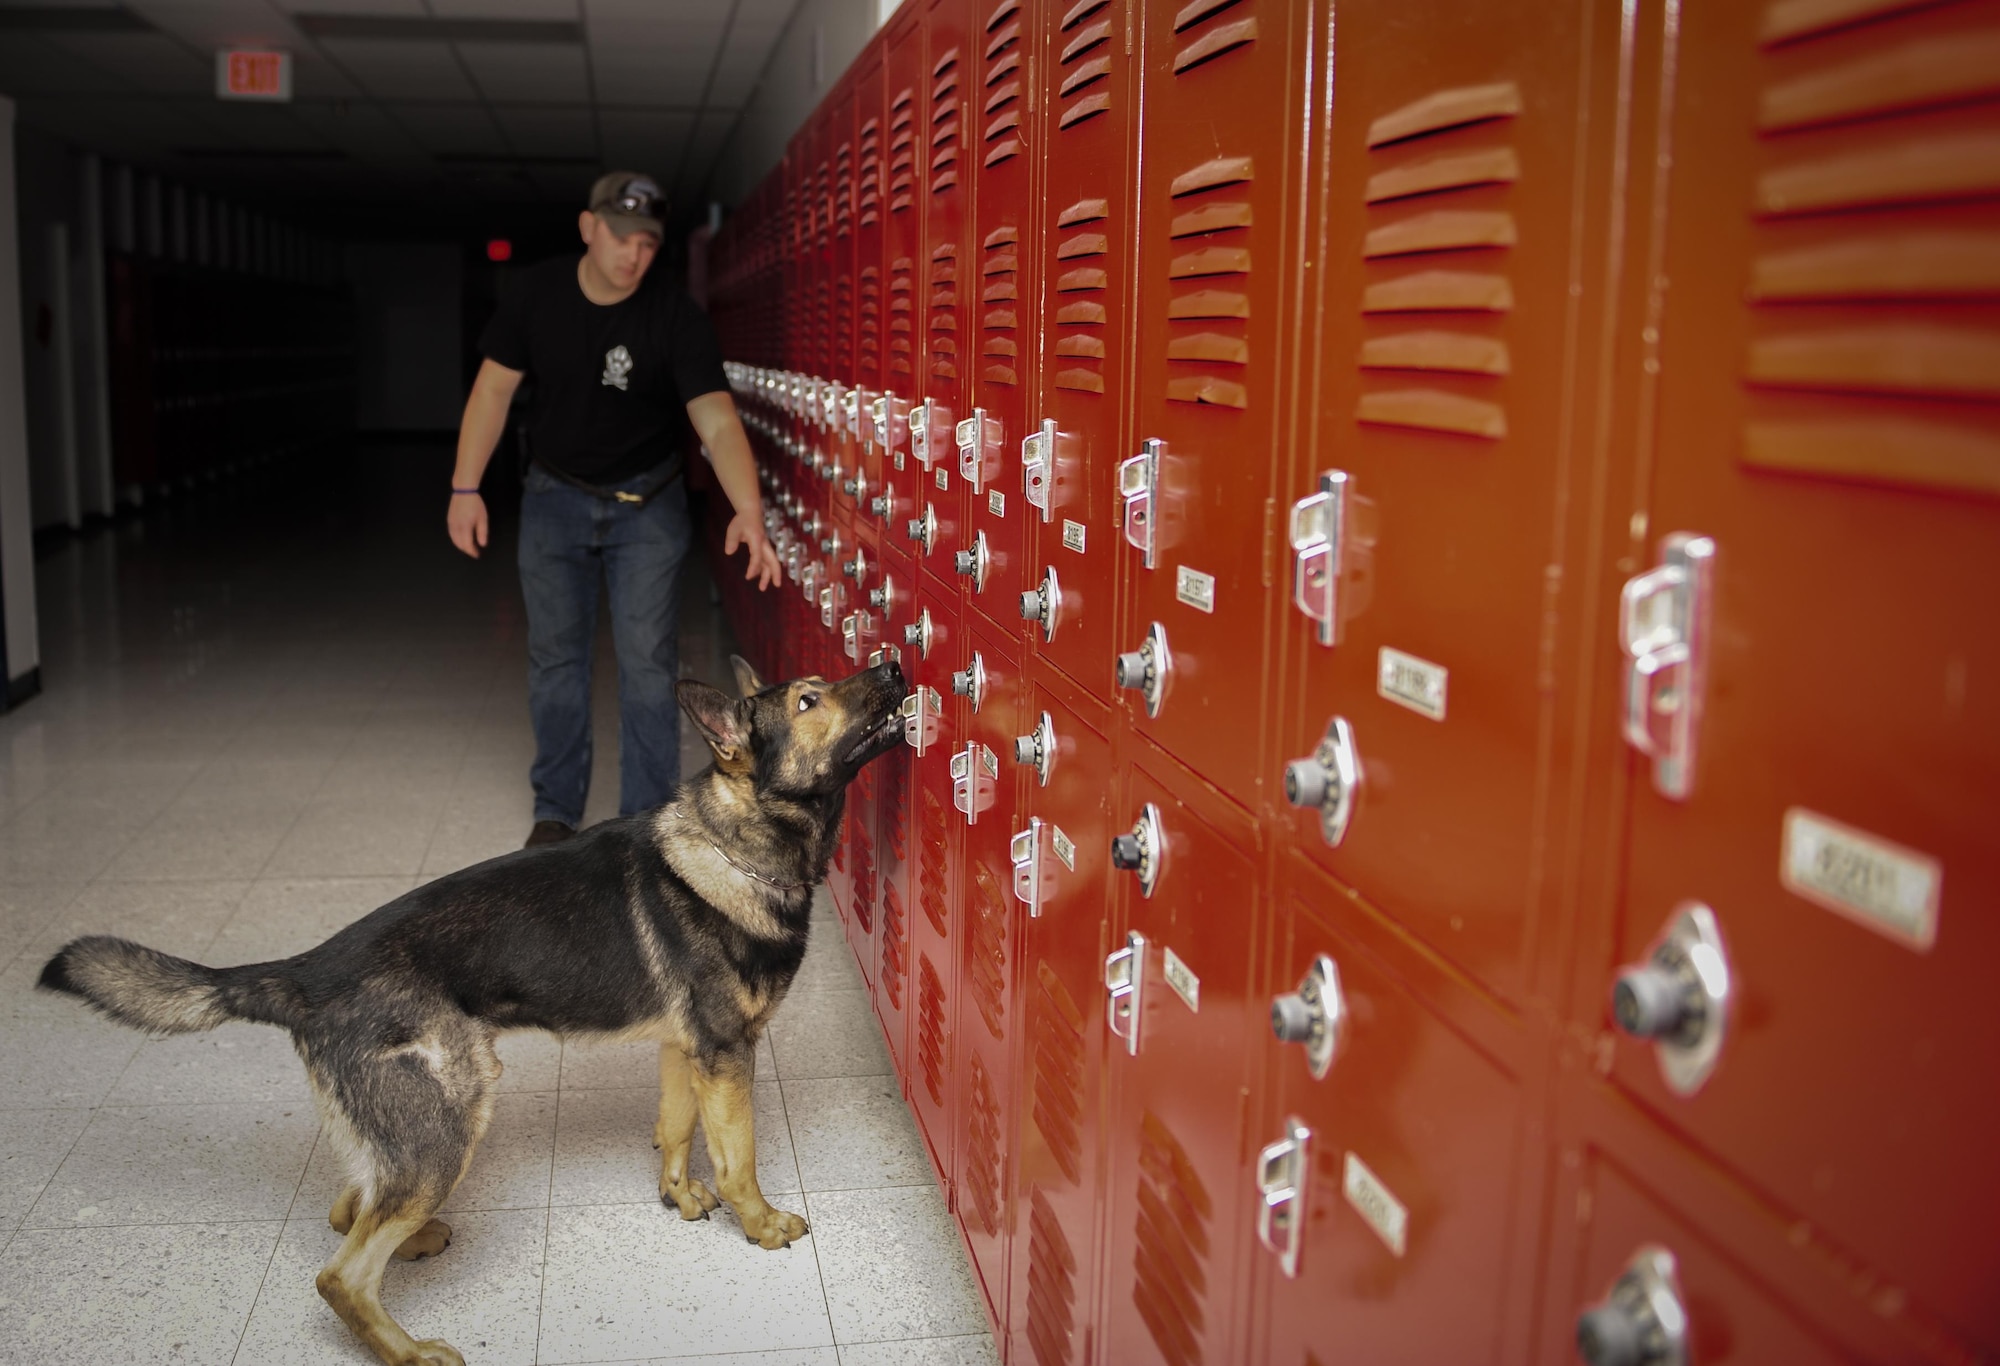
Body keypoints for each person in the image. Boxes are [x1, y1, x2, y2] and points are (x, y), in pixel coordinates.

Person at [448, 171, 781, 848]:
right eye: (623, 237)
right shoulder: (536, 295)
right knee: (556, 659)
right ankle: (556, 811)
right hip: (553, 497)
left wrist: (749, 508)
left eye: (649, 244)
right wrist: (464, 488)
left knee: (647, 662)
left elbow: (716, 422)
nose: (635, 254)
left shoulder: (673, 315)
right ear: (589, 228)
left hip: (646, 505)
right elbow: (491, 393)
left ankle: (644, 821)